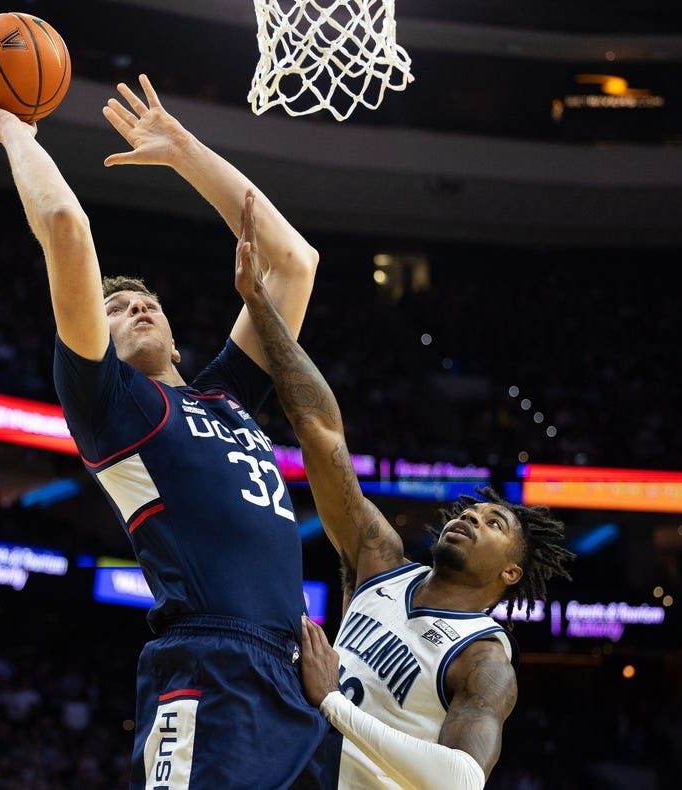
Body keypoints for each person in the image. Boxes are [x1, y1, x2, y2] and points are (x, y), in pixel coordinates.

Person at [0, 75, 340, 789]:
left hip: (295, 682)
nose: (136, 308)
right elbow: (66, 227)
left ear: (176, 340)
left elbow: (294, 262)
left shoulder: (224, 395)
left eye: (148, 304)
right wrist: (11, 129)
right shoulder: (110, 405)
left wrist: (183, 150)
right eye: (116, 308)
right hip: (208, 667)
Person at [233, 190, 575, 789]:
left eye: (494, 523)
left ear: (511, 572)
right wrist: (262, 307)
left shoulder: (482, 658)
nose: (471, 518)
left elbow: (461, 780)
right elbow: (320, 432)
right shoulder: (379, 560)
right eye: (472, 511)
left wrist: (331, 701)